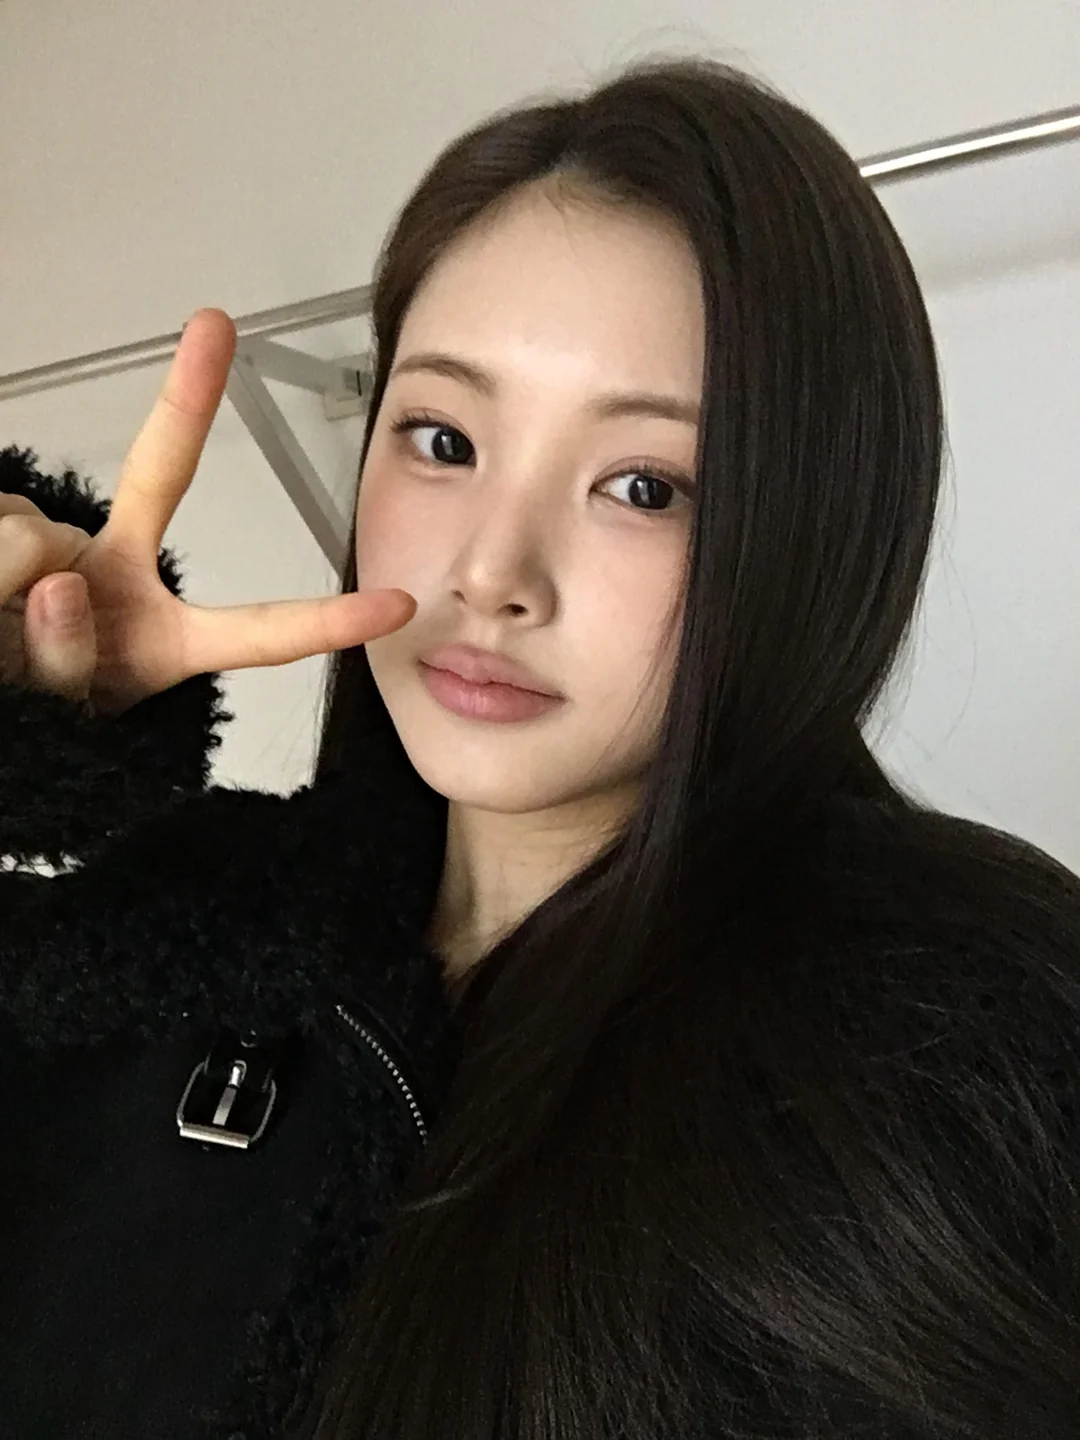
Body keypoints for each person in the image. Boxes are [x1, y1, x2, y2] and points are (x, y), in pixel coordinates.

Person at [1, 52, 1079, 1440]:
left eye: (644, 485)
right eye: (443, 440)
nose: (493, 574)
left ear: (816, 526)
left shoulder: (952, 1052)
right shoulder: (172, 937)